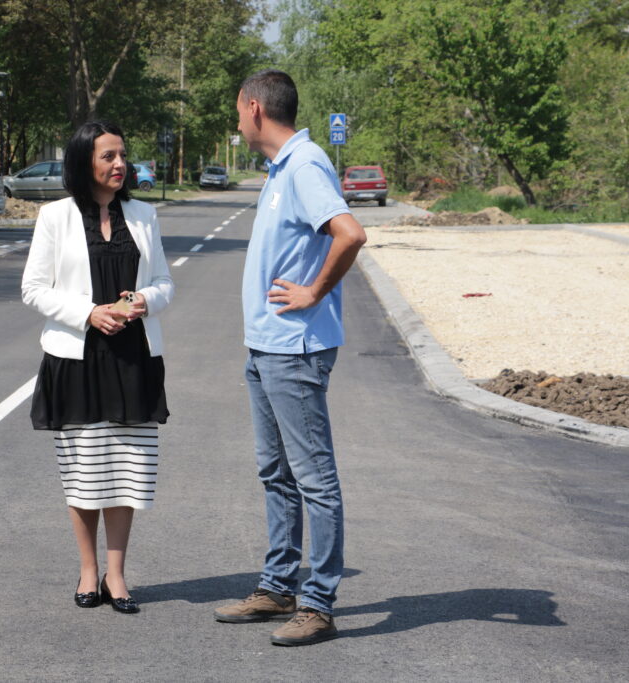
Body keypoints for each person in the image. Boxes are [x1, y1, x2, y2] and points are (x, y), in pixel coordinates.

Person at [213, 69, 367, 646]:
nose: (236, 121)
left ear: (255, 108)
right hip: (266, 347)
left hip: (294, 350)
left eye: (237, 110)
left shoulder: (304, 165)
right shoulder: (281, 168)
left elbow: (350, 233)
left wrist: (314, 292)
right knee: (276, 474)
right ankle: (278, 587)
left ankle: (318, 603)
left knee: (315, 480)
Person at [22, 120, 174, 614]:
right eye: (108, 156)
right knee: (86, 473)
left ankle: (117, 575)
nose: (120, 164)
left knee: (127, 471)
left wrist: (145, 299)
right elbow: (33, 289)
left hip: (134, 359)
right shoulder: (55, 217)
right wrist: (88, 313)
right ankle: (89, 571)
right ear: (84, 161)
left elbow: (165, 282)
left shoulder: (144, 215)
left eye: (122, 155)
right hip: (78, 359)